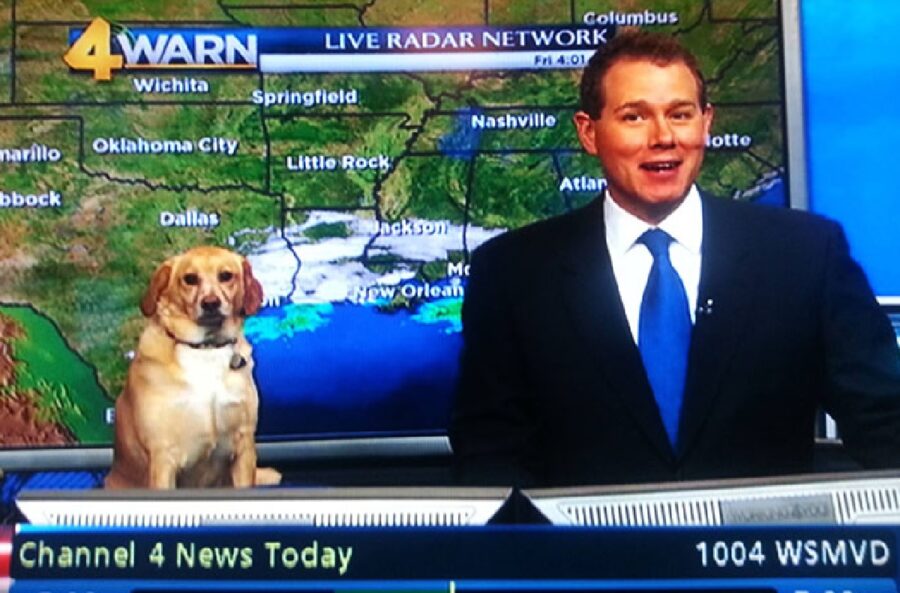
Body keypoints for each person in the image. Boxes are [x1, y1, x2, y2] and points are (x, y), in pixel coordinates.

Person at [449, 30, 900, 487]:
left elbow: (886, 420)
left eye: (680, 115)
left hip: (757, 555)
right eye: (634, 117)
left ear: (706, 123)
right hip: (589, 557)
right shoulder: (514, 273)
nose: (663, 137)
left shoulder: (805, 255)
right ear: (589, 132)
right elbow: (491, 454)